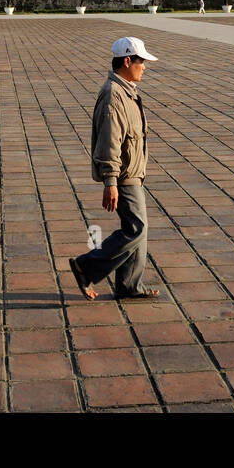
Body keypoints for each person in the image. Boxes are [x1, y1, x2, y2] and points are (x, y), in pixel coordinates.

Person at [69, 37, 161, 301]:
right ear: (127, 61)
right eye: (141, 61)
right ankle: (85, 266)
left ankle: (129, 285)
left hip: (132, 173)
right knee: (136, 229)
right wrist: (110, 181)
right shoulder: (113, 95)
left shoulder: (127, 90)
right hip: (122, 176)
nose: (144, 67)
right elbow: (109, 140)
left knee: (138, 230)